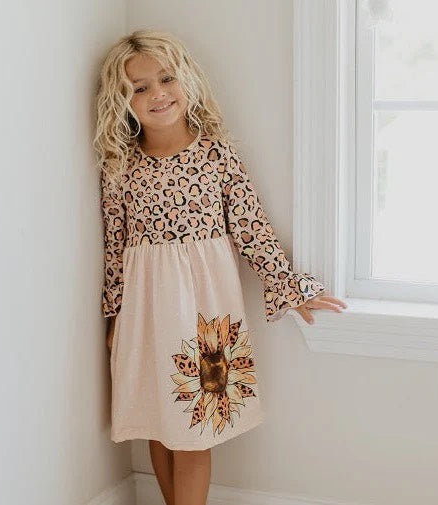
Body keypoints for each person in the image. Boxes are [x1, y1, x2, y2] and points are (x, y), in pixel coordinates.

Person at [93, 29, 347, 505]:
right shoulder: (121, 166)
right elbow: (114, 246)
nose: (157, 94)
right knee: (160, 421)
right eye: (140, 87)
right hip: (147, 312)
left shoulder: (216, 153)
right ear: (123, 100)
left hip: (206, 313)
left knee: (197, 427)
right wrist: (114, 314)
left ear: (186, 79)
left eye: (166, 79)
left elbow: (251, 226)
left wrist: (288, 285)